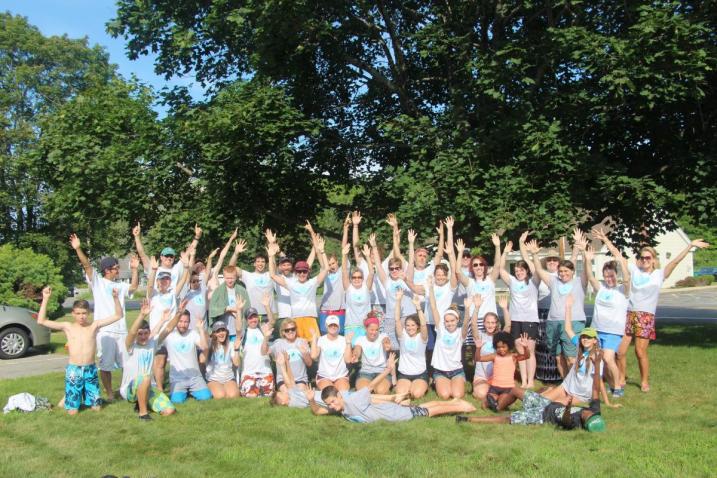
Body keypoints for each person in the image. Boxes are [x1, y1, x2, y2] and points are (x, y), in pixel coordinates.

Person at [618, 237, 709, 392]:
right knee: (619, 351)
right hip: (630, 314)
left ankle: (644, 381)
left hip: (646, 317)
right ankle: (621, 378)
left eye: (648, 257)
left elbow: (675, 262)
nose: (645, 260)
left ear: (654, 260)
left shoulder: (659, 274)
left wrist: (690, 246)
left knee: (640, 351)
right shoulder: (634, 271)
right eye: (642, 257)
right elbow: (618, 257)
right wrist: (605, 240)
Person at [455, 350, 607, 432]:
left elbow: (566, 420)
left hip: (540, 416)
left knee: (508, 419)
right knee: (514, 388)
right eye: (590, 415)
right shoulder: (594, 410)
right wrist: (598, 364)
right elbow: (595, 388)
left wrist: (567, 408)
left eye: (586, 418)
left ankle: (468, 419)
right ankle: (496, 405)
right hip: (545, 403)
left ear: (585, 422)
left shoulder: (575, 422)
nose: (587, 414)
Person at [69, 233, 139, 401]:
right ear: (107, 270)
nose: (118, 270)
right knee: (105, 365)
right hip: (105, 331)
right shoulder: (98, 282)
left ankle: (124, 391)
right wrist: (78, 248)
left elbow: (134, 287)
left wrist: (135, 269)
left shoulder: (120, 285)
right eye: (116, 268)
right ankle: (109, 393)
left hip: (121, 331)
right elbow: (87, 266)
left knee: (126, 364)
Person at [36, 286, 122, 415]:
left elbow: (118, 315)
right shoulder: (67, 327)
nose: (81, 316)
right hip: (74, 370)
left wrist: (115, 298)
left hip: (90, 369)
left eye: (84, 313)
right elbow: (41, 321)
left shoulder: (94, 326)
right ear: (73, 313)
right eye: (78, 313)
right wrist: (45, 298)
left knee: (96, 409)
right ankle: (69, 397)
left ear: (88, 313)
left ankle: (75, 395)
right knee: (73, 412)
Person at [318, 356, 477, 423]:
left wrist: (387, 371)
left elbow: (371, 387)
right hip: (389, 409)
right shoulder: (341, 406)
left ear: (339, 395)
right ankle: (456, 402)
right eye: (329, 404)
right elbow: (319, 411)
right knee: (423, 407)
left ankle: (459, 406)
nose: (332, 406)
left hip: (395, 415)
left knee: (428, 411)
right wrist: (312, 398)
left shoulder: (352, 399)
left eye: (332, 402)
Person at [527, 229, 588, 377]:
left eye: (567, 271)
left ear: (573, 271)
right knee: (557, 356)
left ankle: (577, 383)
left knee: (571, 357)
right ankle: (566, 383)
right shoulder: (553, 281)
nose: (563, 274)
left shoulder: (580, 282)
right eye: (561, 271)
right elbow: (539, 271)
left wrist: (582, 250)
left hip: (573, 322)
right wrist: (535, 254)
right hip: (553, 323)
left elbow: (587, 270)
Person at [539, 296, 618, 408]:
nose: (585, 339)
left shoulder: (596, 357)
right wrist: (568, 307)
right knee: (540, 402)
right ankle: (548, 391)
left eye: (588, 337)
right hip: (566, 387)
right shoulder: (579, 347)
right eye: (583, 337)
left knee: (553, 407)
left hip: (580, 395)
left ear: (595, 340)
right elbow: (568, 329)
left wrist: (608, 403)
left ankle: (548, 391)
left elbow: (599, 381)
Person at [583, 228, 630, 397]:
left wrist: (606, 241)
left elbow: (623, 268)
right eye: (606, 276)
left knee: (609, 358)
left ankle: (618, 386)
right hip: (597, 330)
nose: (609, 278)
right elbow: (590, 276)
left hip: (613, 332)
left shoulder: (623, 290)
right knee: (597, 359)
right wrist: (588, 260)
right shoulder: (601, 288)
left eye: (611, 276)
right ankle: (605, 385)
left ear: (616, 275)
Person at [267, 221, 328, 340]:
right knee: (297, 346)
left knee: (314, 346)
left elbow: (325, 268)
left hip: (311, 318)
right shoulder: (291, 283)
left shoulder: (313, 282)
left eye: (304, 271)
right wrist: (270, 256)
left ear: (308, 272)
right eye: (299, 271)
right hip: (296, 319)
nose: (302, 273)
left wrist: (312, 233)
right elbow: (273, 275)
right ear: (296, 272)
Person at [120, 300, 178, 419]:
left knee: (169, 410)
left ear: (149, 333)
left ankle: (144, 401)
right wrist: (142, 315)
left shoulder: (152, 344)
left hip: (149, 387)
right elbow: (131, 332)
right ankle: (143, 413)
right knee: (145, 377)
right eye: (140, 334)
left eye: (146, 333)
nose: (143, 337)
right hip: (129, 390)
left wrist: (179, 313)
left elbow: (168, 329)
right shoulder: (130, 346)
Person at [146, 251, 192, 392]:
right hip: (158, 334)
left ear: (170, 281)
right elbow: (149, 286)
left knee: (178, 361)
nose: (164, 282)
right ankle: (160, 389)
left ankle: (183, 385)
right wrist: (154, 271)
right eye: (161, 280)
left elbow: (184, 280)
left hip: (172, 333)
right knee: (160, 362)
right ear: (158, 281)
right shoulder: (152, 294)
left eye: (166, 279)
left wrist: (186, 267)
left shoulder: (173, 294)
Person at [497, 237, 540, 388]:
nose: (518, 273)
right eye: (516, 271)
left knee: (529, 350)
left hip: (530, 320)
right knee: (520, 350)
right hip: (516, 320)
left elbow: (535, 268)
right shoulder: (513, 282)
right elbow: (501, 270)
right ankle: (523, 380)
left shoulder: (533, 281)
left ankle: (530, 381)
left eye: (521, 270)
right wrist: (505, 253)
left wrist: (527, 250)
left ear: (527, 270)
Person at [427, 276, 473, 399]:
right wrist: (431, 288)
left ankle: (457, 381)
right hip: (440, 371)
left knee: (457, 395)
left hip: (456, 370)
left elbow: (466, 322)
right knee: (445, 395)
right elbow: (434, 308)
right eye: (447, 321)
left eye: (452, 320)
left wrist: (467, 308)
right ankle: (438, 381)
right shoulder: (440, 330)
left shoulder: (460, 333)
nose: (449, 323)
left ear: (457, 320)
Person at [371, 233, 415, 351]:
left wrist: (411, 244)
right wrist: (374, 246)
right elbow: (379, 265)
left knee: (408, 345)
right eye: (392, 268)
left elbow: (411, 262)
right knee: (390, 347)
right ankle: (392, 367)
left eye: (397, 268)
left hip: (407, 316)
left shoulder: (406, 278)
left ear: (401, 268)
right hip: (391, 317)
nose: (394, 270)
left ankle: (407, 368)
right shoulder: (387, 281)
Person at [163, 300, 212, 403]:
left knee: (207, 397)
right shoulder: (169, 336)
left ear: (189, 323)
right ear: (176, 321)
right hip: (177, 379)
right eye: (180, 321)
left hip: (194, 377)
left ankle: (192, 390)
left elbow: (204, 346)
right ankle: (184, 391)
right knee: (176, 401)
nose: (183, 325)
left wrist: (201, 329)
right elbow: (165, 330)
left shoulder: (193, 334)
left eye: (186, 322)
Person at [134, 222, 202, 292]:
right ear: (161, 257)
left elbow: (189, 251)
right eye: (166, 256)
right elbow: (142, 254)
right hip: (156, 301)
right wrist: (137, 237)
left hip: (172, 302)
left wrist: (197, 237)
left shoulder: (177, 268)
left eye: (171, 256)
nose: (169, 258)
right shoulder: (154, 269)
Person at [475, 330, 531, 412]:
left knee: (498, 408)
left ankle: (498, 402)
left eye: (503, 347)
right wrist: (478, 348)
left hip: (508, 389)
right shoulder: (494, 356)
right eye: (498, 347)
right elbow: (478, 359)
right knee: (484, 405)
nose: (501, 349)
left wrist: (525, 347)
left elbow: (527, 356)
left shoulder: (513, 357)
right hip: (494, 388)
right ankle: (490, 400)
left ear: (509, 346)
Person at [471, 295, 511, 402]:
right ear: (484, 323)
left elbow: (508, 325)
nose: (490, 325)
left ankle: (493, 393)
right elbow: (474, 324)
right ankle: (485, 392)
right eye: (488, 322)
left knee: (505, 396)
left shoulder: (500, 337)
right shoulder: (480, 335)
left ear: (497, 323)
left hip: (497, 377)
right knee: (481, 394)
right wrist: (477, 308)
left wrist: (504, 309)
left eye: (493, 323)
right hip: (481, 377)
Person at [228, 236, 276, 321]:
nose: (260, 264)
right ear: (254, 264)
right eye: (258, 261)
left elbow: (273, 264)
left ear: (266, 264)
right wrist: (236, 253)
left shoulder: (270, 275)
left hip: (269, 314)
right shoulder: (248, 275)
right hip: (252, 314)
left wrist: (272, 244)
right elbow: (231, 268)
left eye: (263, 262)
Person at [394, 290, 429, 399]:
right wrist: (398, 300)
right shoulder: (403, 335)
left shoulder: (422, 338)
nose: (410, 328)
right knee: (401, 394)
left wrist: (418, 307)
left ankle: (422, 384)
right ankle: (407, 386)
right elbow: (397, 320)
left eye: (413, 325)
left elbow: (423, 324)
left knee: (416, 394)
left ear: (417, 326)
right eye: (407, 325)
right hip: (404, 373)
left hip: (420, 373)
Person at [341, 242, 374, 346]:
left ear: (362, 278)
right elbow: (344, 272)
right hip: (351, 326)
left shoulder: (366, 287)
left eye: (359, 277)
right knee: (351, 352)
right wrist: (344, 255)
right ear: (351, 279)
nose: (357, 279)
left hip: (365, 326)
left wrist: (368, 256)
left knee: (364, 351)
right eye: (354, 277)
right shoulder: (349, 288)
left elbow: (372, 272)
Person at [239, 304, 276, 397]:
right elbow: (238, 328)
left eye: (255, 317)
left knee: (269, 394)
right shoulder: (244, 332)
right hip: (249, 373)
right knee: (250, 395)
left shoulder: (262, 329)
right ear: (246, 320)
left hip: (265, 372)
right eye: (250, 318)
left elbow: (272, 321)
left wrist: (267, 306)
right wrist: (239, 310)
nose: (253, 320)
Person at [267, 318, 312, 393]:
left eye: (292, 329)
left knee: (300, 395)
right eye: (287, 330)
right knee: (288, 395)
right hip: (283, 380)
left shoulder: (302, 342)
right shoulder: (278, 343)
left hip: (300, 380)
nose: (290, 331)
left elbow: (309, 363)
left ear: (296, 330)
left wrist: (305, 353)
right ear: (283, 332)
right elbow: (264, 351)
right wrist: (266, 337)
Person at [352, 314, 392, 394]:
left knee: (381, 391)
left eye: (376, 330)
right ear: (366, 328)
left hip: (382, 372)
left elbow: (386, 340)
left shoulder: (383, 336)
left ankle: (377, 397)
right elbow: (357, 349)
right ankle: (381, 399)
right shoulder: (360, 339)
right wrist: (355, 356)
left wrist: (387, 345)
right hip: (365, 372)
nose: (374, 332)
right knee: (363, 392)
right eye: (371, 330)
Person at [310, 315, 352, 391]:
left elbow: (348, 360)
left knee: (343, 393)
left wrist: (348, 343)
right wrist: (314, 338)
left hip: (341, 376)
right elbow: (313, 356)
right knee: (330, 394)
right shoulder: (321, 340)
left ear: (338, 326)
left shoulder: (344, 340)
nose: (333, 327)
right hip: (324, 376)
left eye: (335, 325)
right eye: (330, 325)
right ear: (326, 326)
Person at [205, 314, 242, 400]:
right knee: (220, 396)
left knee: (233, 396)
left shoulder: (231, 344)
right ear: (214, 334)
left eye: (223, 330)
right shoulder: (209, 344)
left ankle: (226, 388)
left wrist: (236, 350)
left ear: (227, 332)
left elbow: (236, 363)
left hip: (228, 378)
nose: (221, 333)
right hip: (214, 379)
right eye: (218, 331)